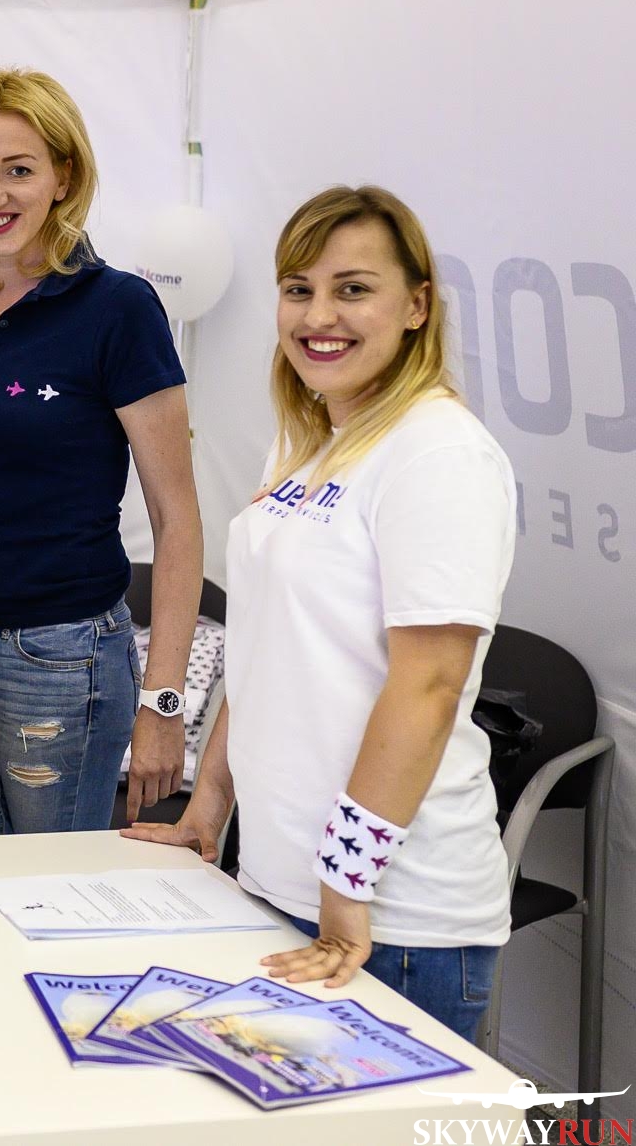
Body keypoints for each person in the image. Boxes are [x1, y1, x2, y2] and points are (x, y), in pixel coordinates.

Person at [125, 185, 513, 1040]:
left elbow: (429, 685)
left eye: (353, 288)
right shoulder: (308, 444)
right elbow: (266, 652)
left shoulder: (439, 453)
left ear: (417, 305)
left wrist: (345, 881)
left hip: (393, 921)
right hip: (280, 887)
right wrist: (208, 810)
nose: (319, 315)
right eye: (299, 289)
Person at [0, 68, 203, 836]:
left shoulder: (119, 308)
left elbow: (176, 517)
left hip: (58, 655)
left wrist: (163, 699)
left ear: (63, 176)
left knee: (48, 883)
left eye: (18, 169)